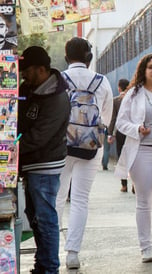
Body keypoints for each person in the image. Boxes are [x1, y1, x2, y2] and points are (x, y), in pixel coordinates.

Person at [55, 37, 113, 269]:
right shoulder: (102, 81)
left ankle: (52, 249)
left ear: (67, 57)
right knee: (80, 199)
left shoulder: (58, 78)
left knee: (57, 198)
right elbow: (106, 118)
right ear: (89, 57)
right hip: (90, 148)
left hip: (60, 146)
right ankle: (72, 254)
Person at [114, 54, 152, 262]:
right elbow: (121, 123)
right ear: (144, 71)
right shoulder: (133, 94)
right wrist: (136, 128)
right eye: (151, 67)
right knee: (143, 201)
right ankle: (145, 248)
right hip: (142, 151)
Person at [17, 46, 71, 274]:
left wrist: (11, 149)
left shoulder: (56, 98)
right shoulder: (29, 89)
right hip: (30, 163)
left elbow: (39, 136)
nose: (23, 76)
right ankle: (43, 264)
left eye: (26, 71)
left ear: (41, 69)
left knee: (45, 217)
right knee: (34, 216)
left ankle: (49, 268)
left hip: (45, 164)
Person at [107, 78, 130, 192]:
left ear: (119, 87)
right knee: (133, 157)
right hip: (133, 132)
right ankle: (135, 184)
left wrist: (110, 134)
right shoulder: (133, 98)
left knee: (122, 157)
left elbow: (113, 119)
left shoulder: (116, 100)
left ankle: (124, 185)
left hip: (121, 132)